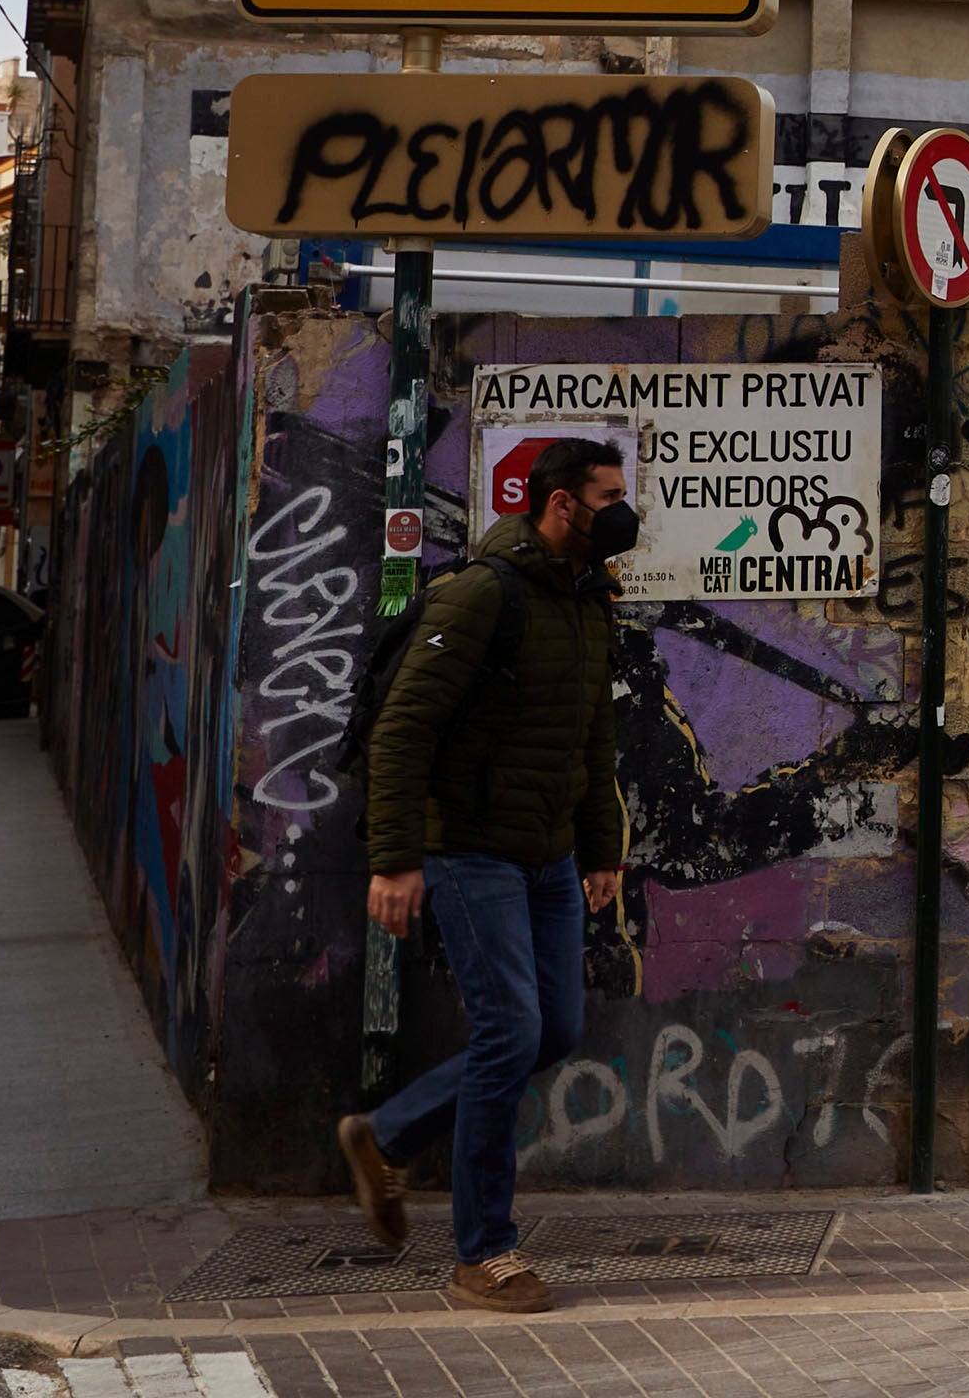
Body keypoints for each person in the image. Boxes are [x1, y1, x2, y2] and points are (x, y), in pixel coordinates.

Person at [335, 439, 636, 1315]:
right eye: (610, 496)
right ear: (561, 505)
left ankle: (385, 1137)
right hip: (468, 851)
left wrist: (602, 844)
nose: (625, 513)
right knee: (510, 1030)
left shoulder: (586, 601)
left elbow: (592, 737)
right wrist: (393, 859)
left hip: (545, 856)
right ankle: (484, 1254)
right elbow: (401, 729)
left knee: (551, 1030)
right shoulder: (481, 594)